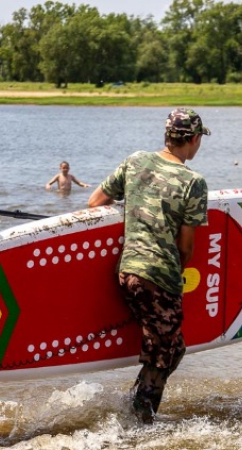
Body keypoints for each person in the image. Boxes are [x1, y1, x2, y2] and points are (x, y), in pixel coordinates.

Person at [87, 108, 210, 424]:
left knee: (173, 348)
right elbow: (186, 247)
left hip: (126, 271)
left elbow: (95, 201)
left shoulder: (136, 160)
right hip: (158, 276)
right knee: (162, 355)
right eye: (200, 139)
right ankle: (139, 426)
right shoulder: (193, 182)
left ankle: (130, 406)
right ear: (194, 139)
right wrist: (171, 274)